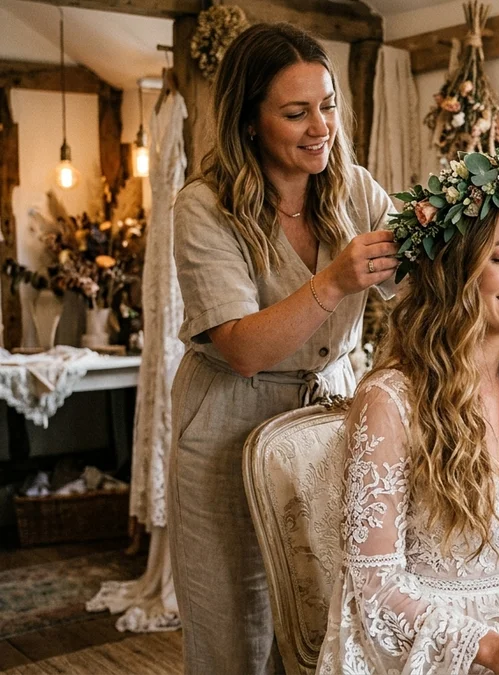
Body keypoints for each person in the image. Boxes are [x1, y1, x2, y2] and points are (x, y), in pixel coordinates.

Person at [168, 23, 400, 674]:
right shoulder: (203, 208)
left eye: (327, 105)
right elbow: (242, 347)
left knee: (323, 624)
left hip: (328, 427)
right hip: (224, 430)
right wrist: (333, 281)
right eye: (296, 113)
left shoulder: (356, 190)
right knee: (234, 635)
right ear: (248, 123)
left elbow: (418, 278)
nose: (320, 126)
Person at [317, 146, 499, 674]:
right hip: (425, 646)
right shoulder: (391, 402)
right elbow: (374, 586)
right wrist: (490, 649)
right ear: (454, 271)